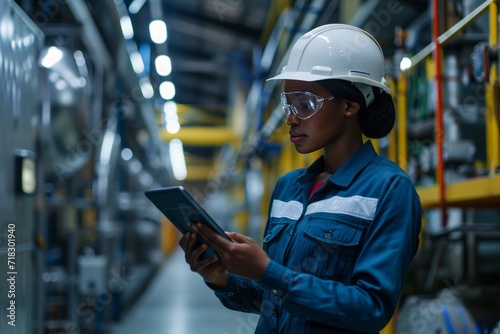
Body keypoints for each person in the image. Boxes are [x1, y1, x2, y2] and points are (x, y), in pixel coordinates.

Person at [179, 23, 422, 334]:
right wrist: (220, 276)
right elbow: (272, 300)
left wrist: (268, 272)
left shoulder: (389, 190)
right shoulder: (288, 187)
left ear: (350, 105)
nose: (291, 117)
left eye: (305, 103)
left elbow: (370, 308)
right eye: (288, 103)